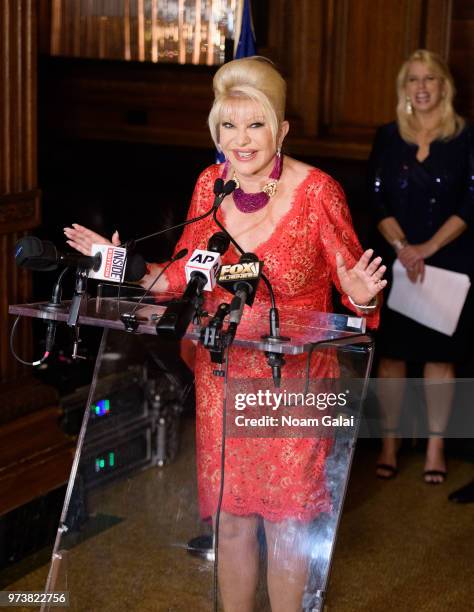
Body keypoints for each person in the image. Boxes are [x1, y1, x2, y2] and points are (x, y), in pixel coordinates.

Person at [65, 57, 386, 612]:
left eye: (255, 124)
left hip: (295, 385)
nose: (241, 140)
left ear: (281, 129)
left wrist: (359, 292)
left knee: (287, 522)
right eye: (228, 126)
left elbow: (355, 292)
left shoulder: (317, 193)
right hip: (223, 373)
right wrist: (118, 263)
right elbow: (184, 275)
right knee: (233, 517)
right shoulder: (209, 186)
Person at [368, 49, 474, 484]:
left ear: (445, 86)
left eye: (430, 78)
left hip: (448, 260)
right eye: (413, 79)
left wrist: (427, 247)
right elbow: (375, 196)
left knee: (439, 359)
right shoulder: (388, 136)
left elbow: (472, 201)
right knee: (392, 358)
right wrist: (404, 246)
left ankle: (435, 446)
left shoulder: (466, 137)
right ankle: (390, 443)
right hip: (395, 260)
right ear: (404, 89)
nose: (423, 86)